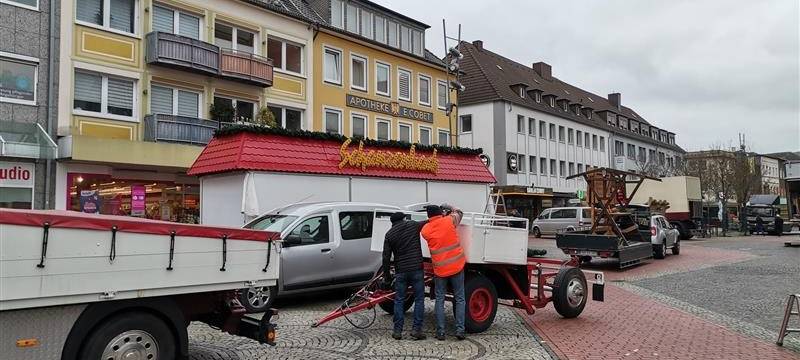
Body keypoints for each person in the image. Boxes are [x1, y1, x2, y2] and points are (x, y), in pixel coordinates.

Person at [420, 204, 466, 341]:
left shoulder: (426, 230)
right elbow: (460, 212)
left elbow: (429, 226)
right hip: (457, 266)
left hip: (440, 270)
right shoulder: (449, 220)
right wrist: (449, 207)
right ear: (441, 213)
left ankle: (440, 332)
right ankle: (460, 330)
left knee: (439, 299)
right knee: (460, 298)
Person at [381, 212, 427, 341]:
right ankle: (416, 330)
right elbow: (427, 222)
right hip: (417, 269)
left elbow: (385, 257)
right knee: (419, 299)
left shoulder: (389, 234)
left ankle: (397, 331)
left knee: (399, 300)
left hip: (401, 271)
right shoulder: (413, 225)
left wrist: (387, 277)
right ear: (403, 219)